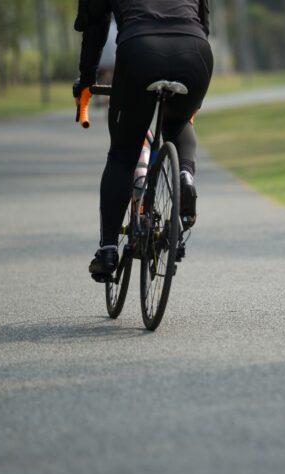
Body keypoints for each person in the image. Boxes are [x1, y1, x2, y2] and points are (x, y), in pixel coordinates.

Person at [73, 0, 213, 280]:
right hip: (195, 51)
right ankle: (185, 175)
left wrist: (87, 79)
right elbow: (203, 20)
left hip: (140, 51)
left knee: (123, 154)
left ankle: (109, 250)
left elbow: (95, 26)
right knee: (179, 121)